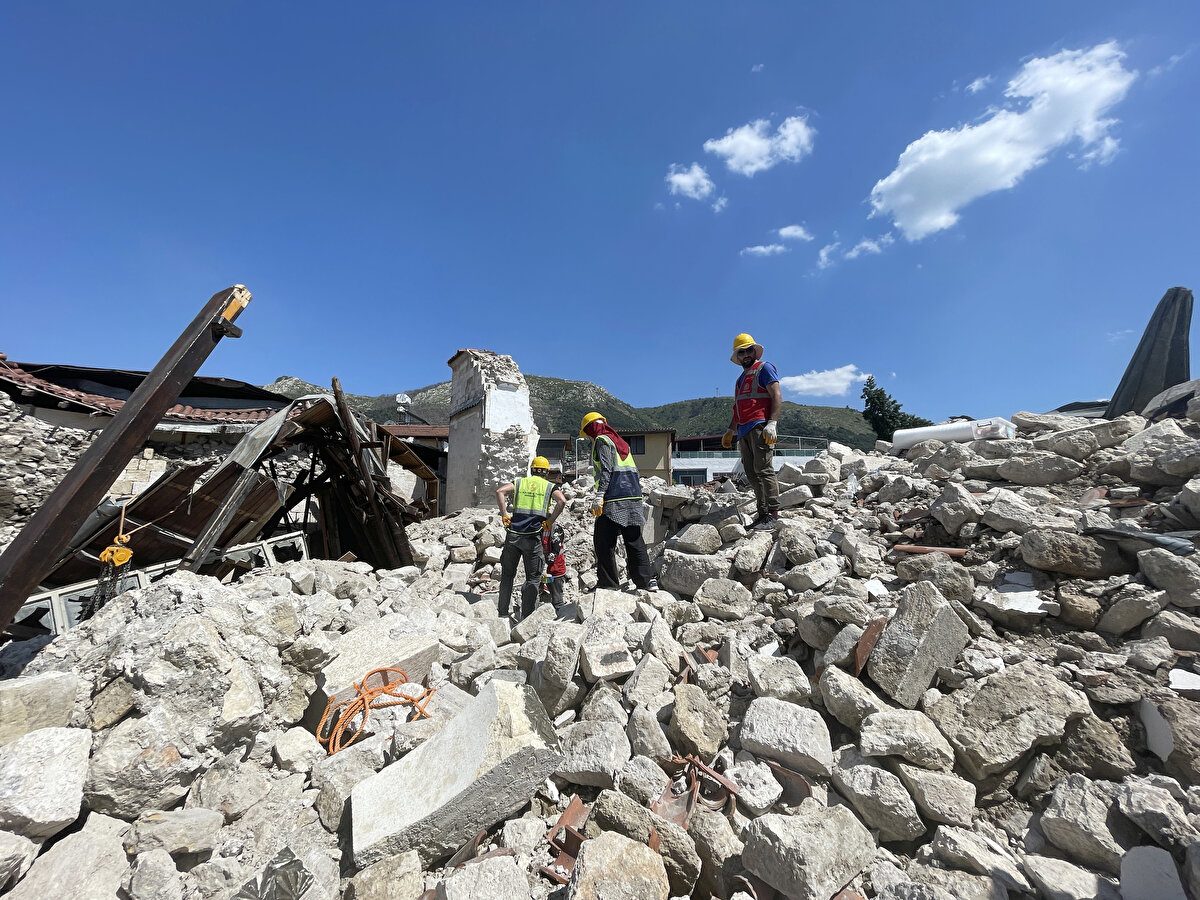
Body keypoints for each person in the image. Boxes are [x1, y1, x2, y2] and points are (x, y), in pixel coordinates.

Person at [579, 412, 657, 592]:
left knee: (603, 541)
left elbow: (606, 471)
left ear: (591, 429)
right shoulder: (620, 443)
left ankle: (608, 584)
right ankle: (646, 582)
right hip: (633, 496)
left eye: (588, 434)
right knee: (634, 539)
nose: (589, 438)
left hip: (614, 498)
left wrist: (599, 496)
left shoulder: (602, 441)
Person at [722, 332, 783, 530]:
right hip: (743, 430)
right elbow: (737, 406)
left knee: (764, 469)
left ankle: (773, 514)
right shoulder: (740, 380)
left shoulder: (764, 369)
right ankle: (762, 512)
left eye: (749, 350)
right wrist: (731, 430)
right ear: (737, 357)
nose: (746, 355)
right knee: (752, 472)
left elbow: (776, 395)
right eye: (742, 352)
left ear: (755, 351)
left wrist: (772, 423)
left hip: (760, 426)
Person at [495, 456, 566, 621]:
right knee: (533, 579)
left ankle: (503, 613)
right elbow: (562, 501)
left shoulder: (520, 483)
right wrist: (550, 521)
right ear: (547, 472)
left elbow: (500, 491)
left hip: (513, 536)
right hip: (533, 538)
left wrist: (504, 514)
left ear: (531, 469)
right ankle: (526, 618)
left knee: (507, 575)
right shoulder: (549, 486)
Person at [540, 520, 568, 608]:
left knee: (556, 594)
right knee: (544, 588)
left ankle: (559, 609)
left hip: (556, 568)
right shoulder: (538, 528)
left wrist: (544, 567)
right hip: (545, 567)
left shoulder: (556, 529)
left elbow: (555, 550)